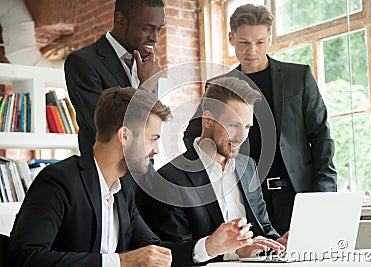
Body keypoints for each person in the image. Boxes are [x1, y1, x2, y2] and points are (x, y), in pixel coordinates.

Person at [7, 87, 254, 267]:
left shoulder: (124, 188)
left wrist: (211, 245)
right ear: (124, 136)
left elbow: (157, 251)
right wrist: (120, 261)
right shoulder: (58, 181)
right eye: (153, 138)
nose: (156, 150)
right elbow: (24, 257)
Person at [183, 4, 337, 235]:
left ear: (269, 38)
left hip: (298, 195)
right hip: (245, 199)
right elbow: (193, 136)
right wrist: (220, 177)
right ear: (231, 38)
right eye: (244, 42)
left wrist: (324, 196)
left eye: (260, 42)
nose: (252, 50)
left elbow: (322, 138)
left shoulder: (299, 77)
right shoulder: (218, 86)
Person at [144, 77, 288, 263]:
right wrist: (235, 252)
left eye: (247, 127)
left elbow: (264, 227)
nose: (241, 137)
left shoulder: (247, 167)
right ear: (208, 120)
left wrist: (279, 243)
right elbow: (175, 253)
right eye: (233, 125)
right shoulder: (169, 178)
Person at [65, 0, 164, 153]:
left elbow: (150, 128)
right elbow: (108, 131)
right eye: (147, 28)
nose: (155, 38)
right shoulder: (83, 62)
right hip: (104, 174)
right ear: (120, 21)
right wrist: (146, 87)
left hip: (143, 173)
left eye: (159, 30)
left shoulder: (148, 66)